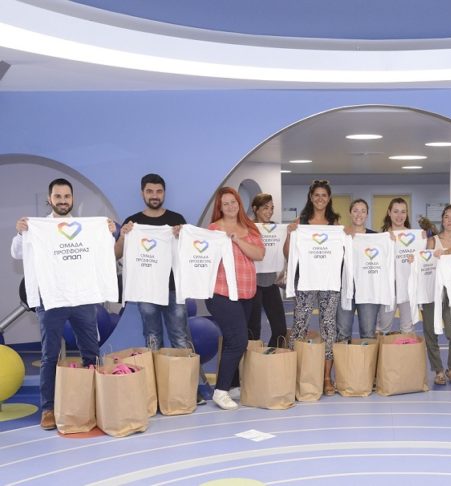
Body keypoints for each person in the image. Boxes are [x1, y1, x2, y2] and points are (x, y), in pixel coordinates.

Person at [11, 178, 113, 430]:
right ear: (50, 199)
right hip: (51, 298)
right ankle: (48, 408)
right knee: (49, 354)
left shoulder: (86, 227)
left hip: (82, 297)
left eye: (67, 196)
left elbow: (104, 249)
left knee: (91, 351)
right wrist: (21, 232)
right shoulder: (39, 227)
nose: (63, 201)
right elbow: (17, 253)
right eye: (58, 196)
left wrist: (108, 233)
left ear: (72, 199)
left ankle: (96, 402)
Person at [205, 187, 265, 410]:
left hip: (247, 292)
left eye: (233, 202)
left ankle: (232, 385)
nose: (230, 206)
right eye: (225, 203)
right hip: (221, 292)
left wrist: (238, 240)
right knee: (238, 340)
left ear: (239, 203)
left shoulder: (249, 227)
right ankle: (220, 391)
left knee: (234, 340)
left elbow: (259, 254)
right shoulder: (213, 230)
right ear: (219, 207)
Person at [115, 174, 190, 350]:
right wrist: (124, 237)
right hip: (145, 289)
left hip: (173, 288)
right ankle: (155, 369)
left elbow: (189, 254)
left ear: (164, 193)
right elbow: (116, 254)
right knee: (152, 337)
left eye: (159, 191)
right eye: (150, 191)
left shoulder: (176, 220)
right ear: (142, 193)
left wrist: (182, 237)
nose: (154, 195)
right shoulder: (133, 223)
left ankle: (184, 369)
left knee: (180, 337)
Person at [284, 179, 341, 396]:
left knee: (329, 328)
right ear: (310, 197)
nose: (320, 199)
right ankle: (294, 374)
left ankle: (326, 378)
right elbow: (288, 254)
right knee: (299, 326)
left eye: (324, 195)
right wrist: (290, 234)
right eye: (316, 195)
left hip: (329, 282)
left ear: (329, 198)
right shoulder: (301, 223)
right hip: (306, 280)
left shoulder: (335, 224)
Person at [420, 204, 451, 385]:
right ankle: (438, 370)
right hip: (432, 290)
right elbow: (424, 262)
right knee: (430, 331)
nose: (450, 220)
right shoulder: (433, 241)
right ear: (442, 220)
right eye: (446, 216)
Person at [336, 198, 379, 342]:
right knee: (342, 333)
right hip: (344, 287)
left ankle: (366, 358)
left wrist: (390, 238)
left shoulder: (376, 237)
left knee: (368, 333)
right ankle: (344, 358)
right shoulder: (341, 235)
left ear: (367, 214)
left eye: (363, 211)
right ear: (349, 213)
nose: (359, 214)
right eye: (355, 211)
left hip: (368, 288)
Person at [248, 193, 287, 348]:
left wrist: (289, 233)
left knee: (280, 329)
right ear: (255, 209)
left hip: (271, 282)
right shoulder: (247, 228)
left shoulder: (276, 228)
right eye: (265, 208)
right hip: (252, 284)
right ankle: (251, 361)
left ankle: (269, 357)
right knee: (253, 331)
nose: (270, 212)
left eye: (271, 208)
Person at [377, 198, 416, 334]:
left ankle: (407, 348)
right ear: (389, 213)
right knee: (383, 327)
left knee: (407, 327)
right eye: (396, 211)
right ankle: (380, 348)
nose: (399, 216)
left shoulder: (415, 236)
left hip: (407, 284)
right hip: (388, 286)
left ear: (407, 214)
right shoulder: (381, 237)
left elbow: (421, 261)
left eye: (403, 212)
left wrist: (416, 256)